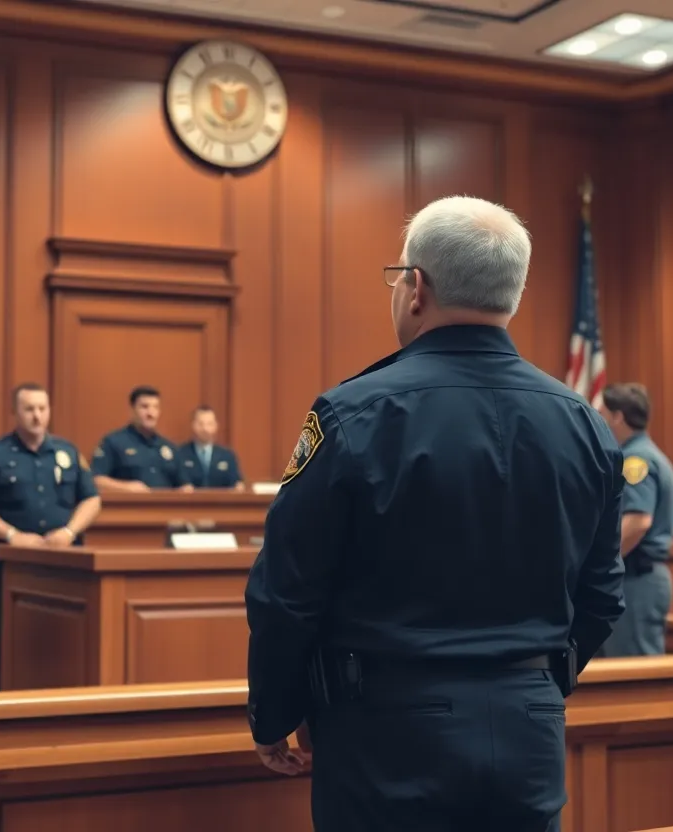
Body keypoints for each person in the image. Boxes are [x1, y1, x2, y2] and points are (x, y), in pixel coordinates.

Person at [244, 195, 626, 832]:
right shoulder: (585, 423)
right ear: (514, 294)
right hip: (529, 729)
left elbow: (287, 591)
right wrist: (530, 686)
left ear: (415, 288)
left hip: (385, 731)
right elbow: (603, 596)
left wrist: (277, 712)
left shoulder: (352, 414)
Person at [0, 383, 102, 691]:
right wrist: (11, 535)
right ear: (15, 412)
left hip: (64, 566)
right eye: (29, 409)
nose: (37, 416)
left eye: (42, 408)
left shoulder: (67, 452)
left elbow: (92, 499)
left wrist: (69, 531)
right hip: (10, 568)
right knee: (0, 640)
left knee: (60, 642)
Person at [596, 383, 673, 657]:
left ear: (617, 417)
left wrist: (597, 563)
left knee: (635, 675)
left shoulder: (636, 460)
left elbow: (638, 522)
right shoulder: (646, 453)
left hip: (635, 580)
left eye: (601, 413)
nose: (598, 419)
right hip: (636, 577)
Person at [91, 385, 192, 492]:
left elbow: (184, 485)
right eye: (145, 407)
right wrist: (126, 487)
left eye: (156, 407)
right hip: (129, 507)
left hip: (164, 508)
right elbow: (96, 480)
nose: (151, 413)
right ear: (132, 410)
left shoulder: (169, 447)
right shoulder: (113, 442)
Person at [178, 405, 244, 489]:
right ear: (193, 425)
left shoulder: (227, 456)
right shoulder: (180, 454)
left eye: (210, 424)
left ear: (216, 426)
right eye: (200, 424)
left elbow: (237, 484)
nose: (205, 429)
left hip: (221, 501)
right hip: (191, 501)